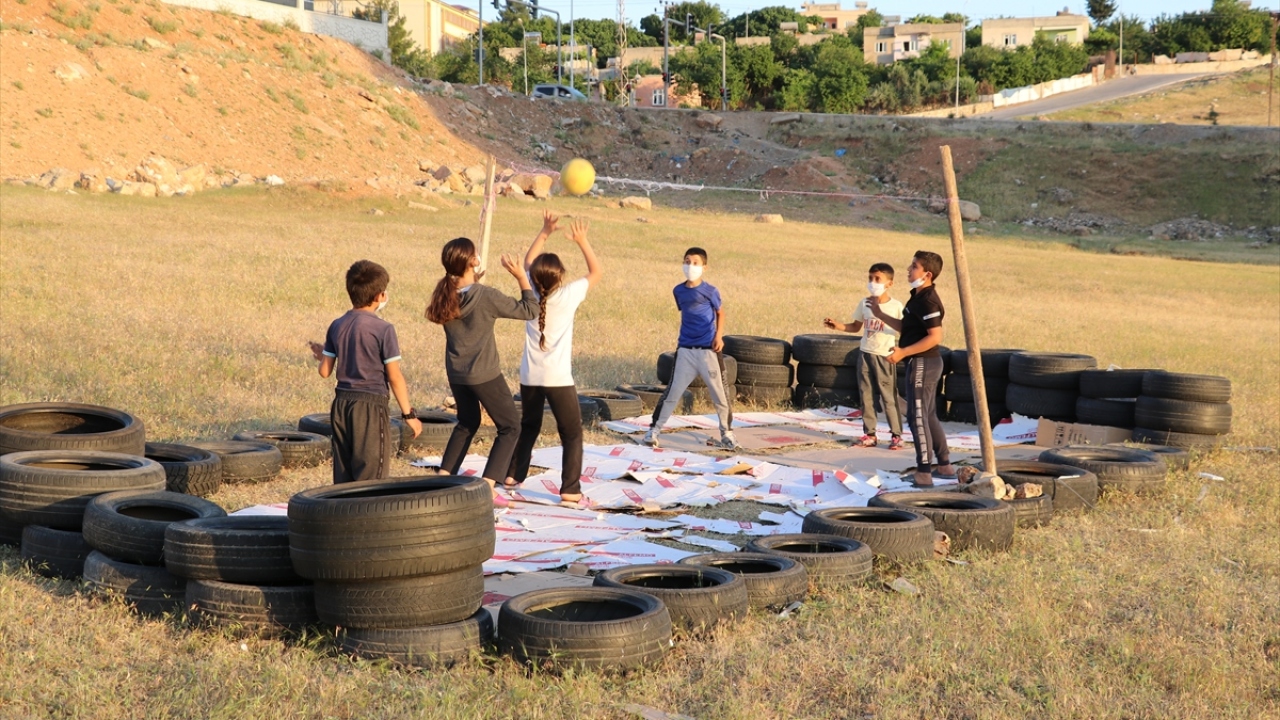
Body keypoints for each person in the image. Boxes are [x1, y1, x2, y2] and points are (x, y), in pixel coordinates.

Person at [426, 237, 539, 506]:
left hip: (457, 374)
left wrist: (474, 281)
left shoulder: (446, 295)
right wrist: (521, 276)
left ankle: (444, 475)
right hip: (484, 374)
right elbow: (530, 309)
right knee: (510, 426)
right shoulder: (486, 295)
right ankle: (488, 485)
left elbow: (468, 295)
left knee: (467, 423)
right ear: (473, 262)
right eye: (476, 255)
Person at [504, 212, 603, 506]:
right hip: (558, 379)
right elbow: (596, 272)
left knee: (529, 426)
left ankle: (512, 475)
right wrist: (583, 241)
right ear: (560, 276)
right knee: (571, 433)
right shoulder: (569, 294)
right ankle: (570, 490)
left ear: (534, 279)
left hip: (529, 376)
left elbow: (526, 264)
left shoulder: (530, 293)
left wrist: (545, 231)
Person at [310, 260, 423, 484]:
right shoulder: (384, 329)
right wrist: (409, 415)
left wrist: (324, 354)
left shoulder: (337, 325)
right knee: (372, 478)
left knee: (344, 475)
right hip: (370, 406)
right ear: (379, 296)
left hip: (342, 404)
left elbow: (325, 371)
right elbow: (394, 377)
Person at [873, 250, 957, 487]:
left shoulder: (929, 300)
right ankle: (945, 465)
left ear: (927, 274)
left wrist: (903, 353)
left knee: (916, 416)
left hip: (923, 363)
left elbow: (934, 337)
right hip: (921, 362)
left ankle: (923, 472)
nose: (909, 270)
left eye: (914, 266)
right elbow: (909, 329)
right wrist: (880, 314)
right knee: (927, 415)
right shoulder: (918, 297)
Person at [643, 248, 738, 451]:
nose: (690, 266)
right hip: (685, 350)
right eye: (687, 261)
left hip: (708, 351)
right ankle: (653, 430)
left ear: (704, 267)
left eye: (695, 263)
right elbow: (685, 312)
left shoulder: (710, 291)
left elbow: (721, 313)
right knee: (672, 393)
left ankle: (727, 434)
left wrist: (718, 336)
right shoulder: (678, 291)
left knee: (720, 395)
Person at [824, 262, 904, 450]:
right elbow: (855, 326)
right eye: (870, 278)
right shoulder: (865, 303)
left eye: (877, 279)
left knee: (888, 397)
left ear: (889, 283)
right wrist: (839, 326)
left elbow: (904, 329)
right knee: (866, 395)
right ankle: (870, 434)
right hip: (865, 354)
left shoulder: (896, 306)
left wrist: (902, 351)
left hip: (885, 357)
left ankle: (896, 435)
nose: (872, 282)